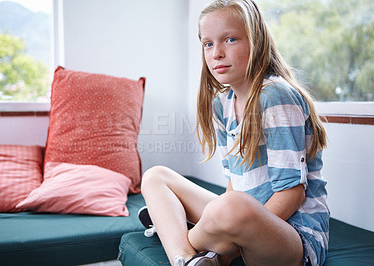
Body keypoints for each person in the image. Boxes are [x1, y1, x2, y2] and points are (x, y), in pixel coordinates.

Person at [140, 0, 329, 265]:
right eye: (208, 44)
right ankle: (183, 258)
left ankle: (175, 230)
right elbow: (235, 185)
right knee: (155, 176)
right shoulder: (222, 104)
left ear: (257, 42)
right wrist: (226, 222)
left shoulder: (276, 96)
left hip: (293, 236)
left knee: (229, 207)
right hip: (243, 216)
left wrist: (229, 234)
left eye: (229, 40)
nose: (216, 53)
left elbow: (292, 193)